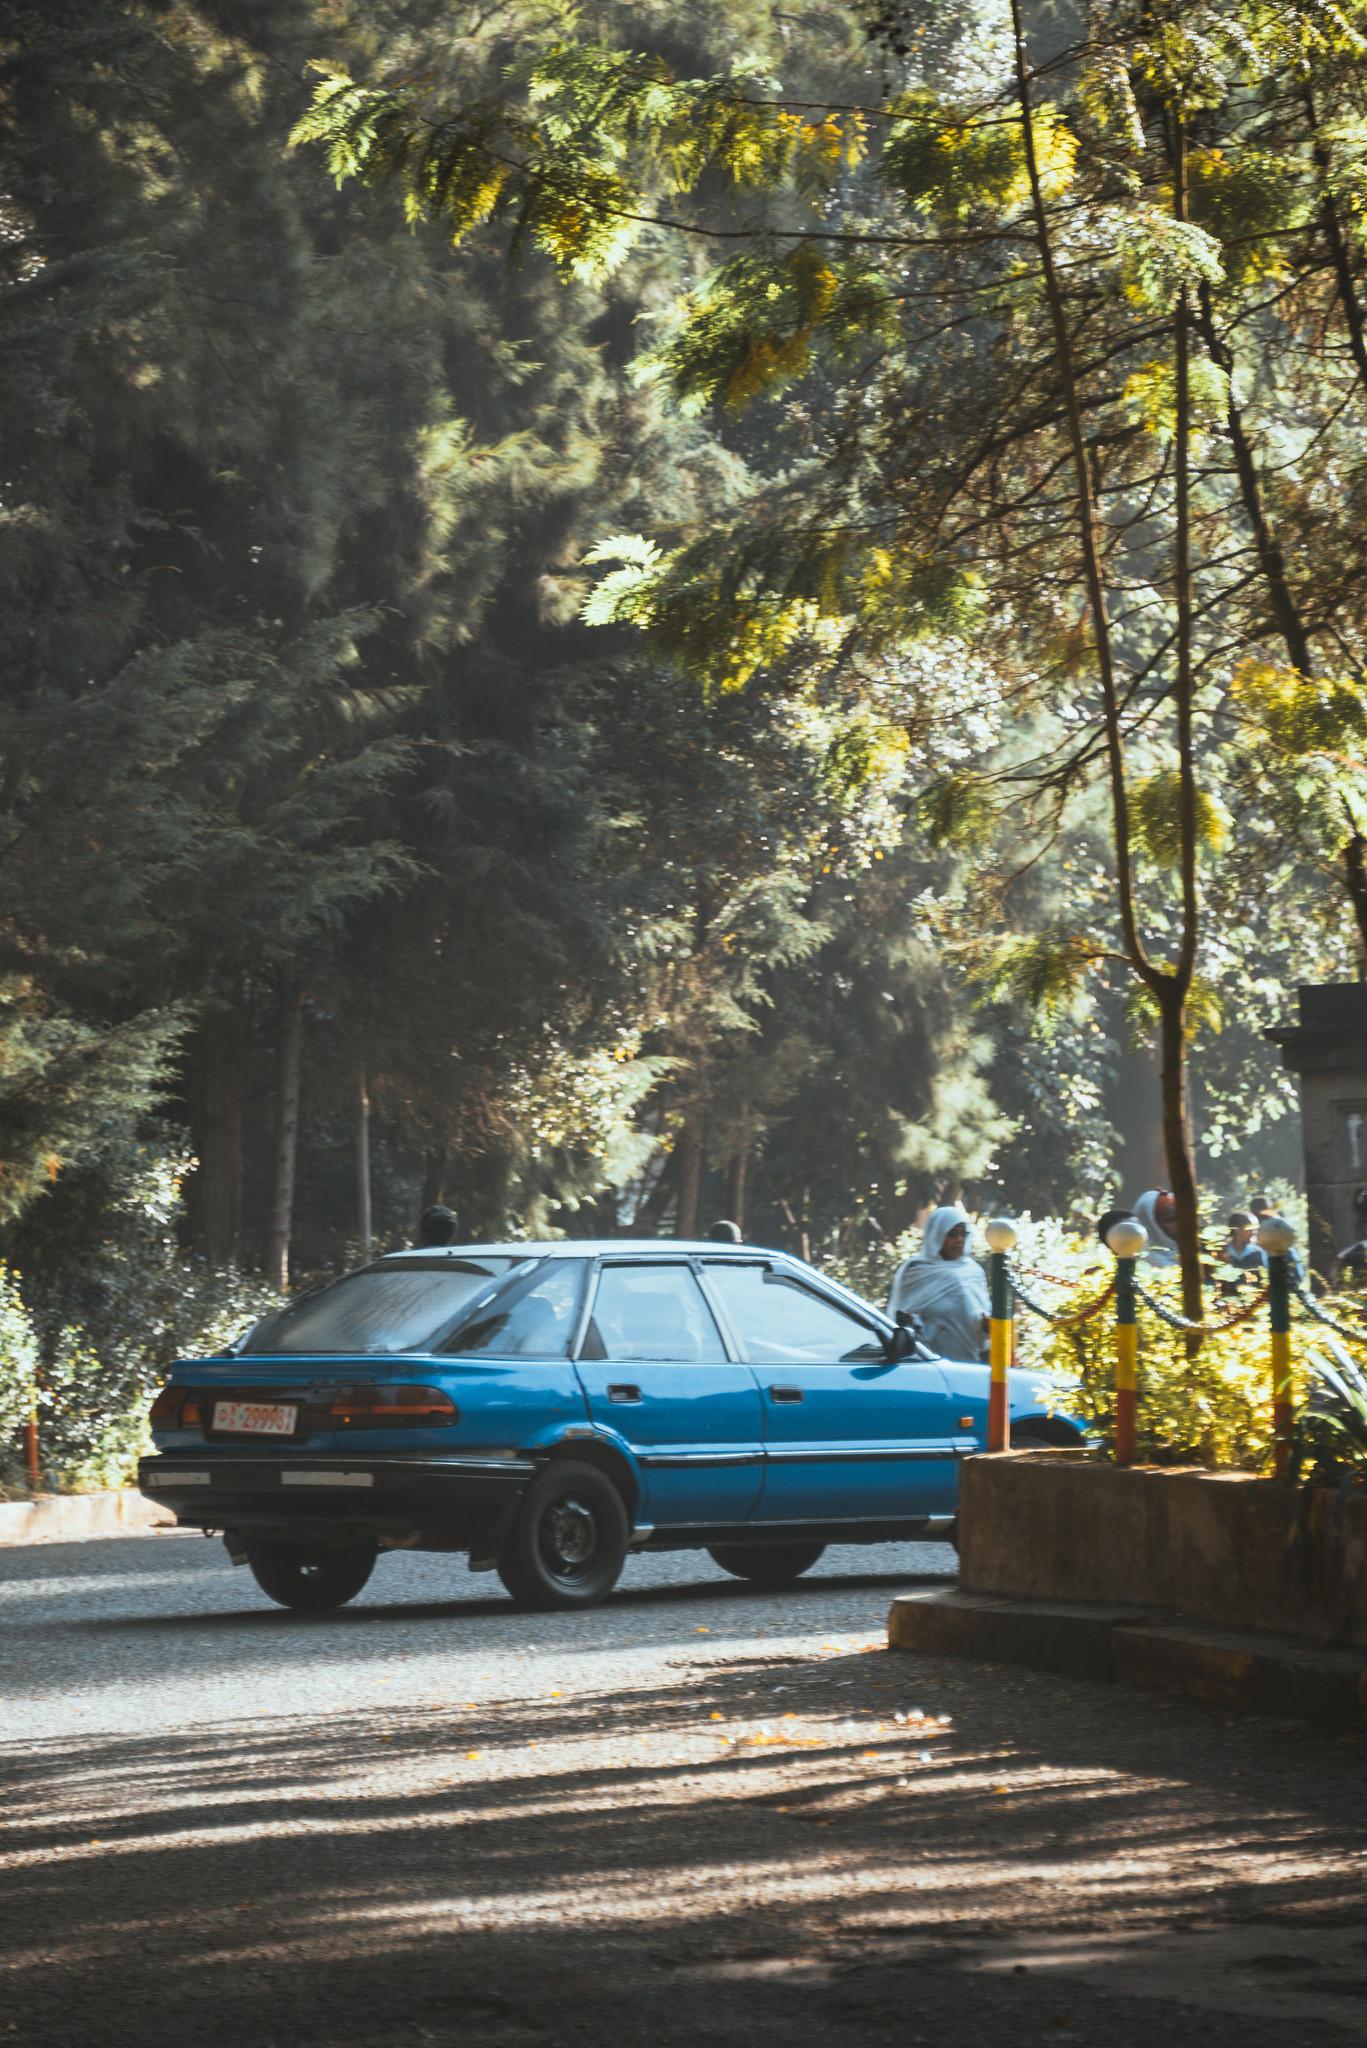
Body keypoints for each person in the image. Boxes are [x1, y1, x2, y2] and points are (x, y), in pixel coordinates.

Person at [887, 1206, 990, 1362]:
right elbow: (903, 1318)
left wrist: (984, 1324)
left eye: (963, 1234)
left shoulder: (973, 1271)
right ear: (937, 1234)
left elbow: (983, 1313)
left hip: (974, 1360)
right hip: (931, 1363)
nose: (959, 1240)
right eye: (952, 1234)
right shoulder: (917, 1271)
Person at [1132, 1189, 1180, 1268]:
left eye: (1181, 1218)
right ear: (1150, 1223)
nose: (1179, 1225)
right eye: (1170, 1220)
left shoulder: (1194, 1248)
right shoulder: (1143, 1259)